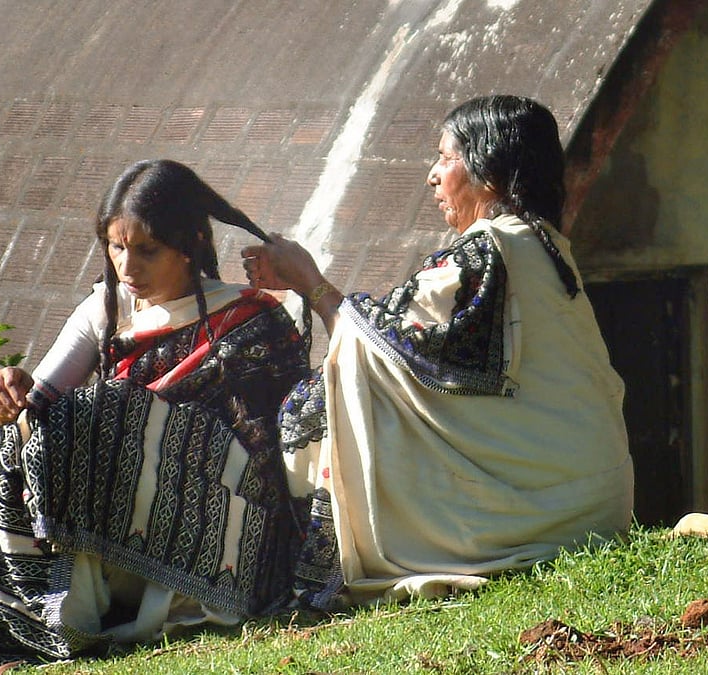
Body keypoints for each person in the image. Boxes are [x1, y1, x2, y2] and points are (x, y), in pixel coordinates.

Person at [241, 95, 634, 609]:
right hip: (595, 507)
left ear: (488, 175)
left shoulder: (484, 251)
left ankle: (308, 577)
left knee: (313, 406)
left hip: (534, 521)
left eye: (445, 159)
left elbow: (380, 348)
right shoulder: (547, 247)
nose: (432, 175)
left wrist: (309, 281)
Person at [0, 159, 312, 673]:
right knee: (2, 449)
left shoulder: (252, 320)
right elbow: (37, 416)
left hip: (224, 522)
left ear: (189, 246)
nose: (127, 267)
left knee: (108, 406)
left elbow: (286, 443)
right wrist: (12, 387)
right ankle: (11, 634)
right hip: (124, 516)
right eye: (116, 247)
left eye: (146, 250)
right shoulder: (106, 310)